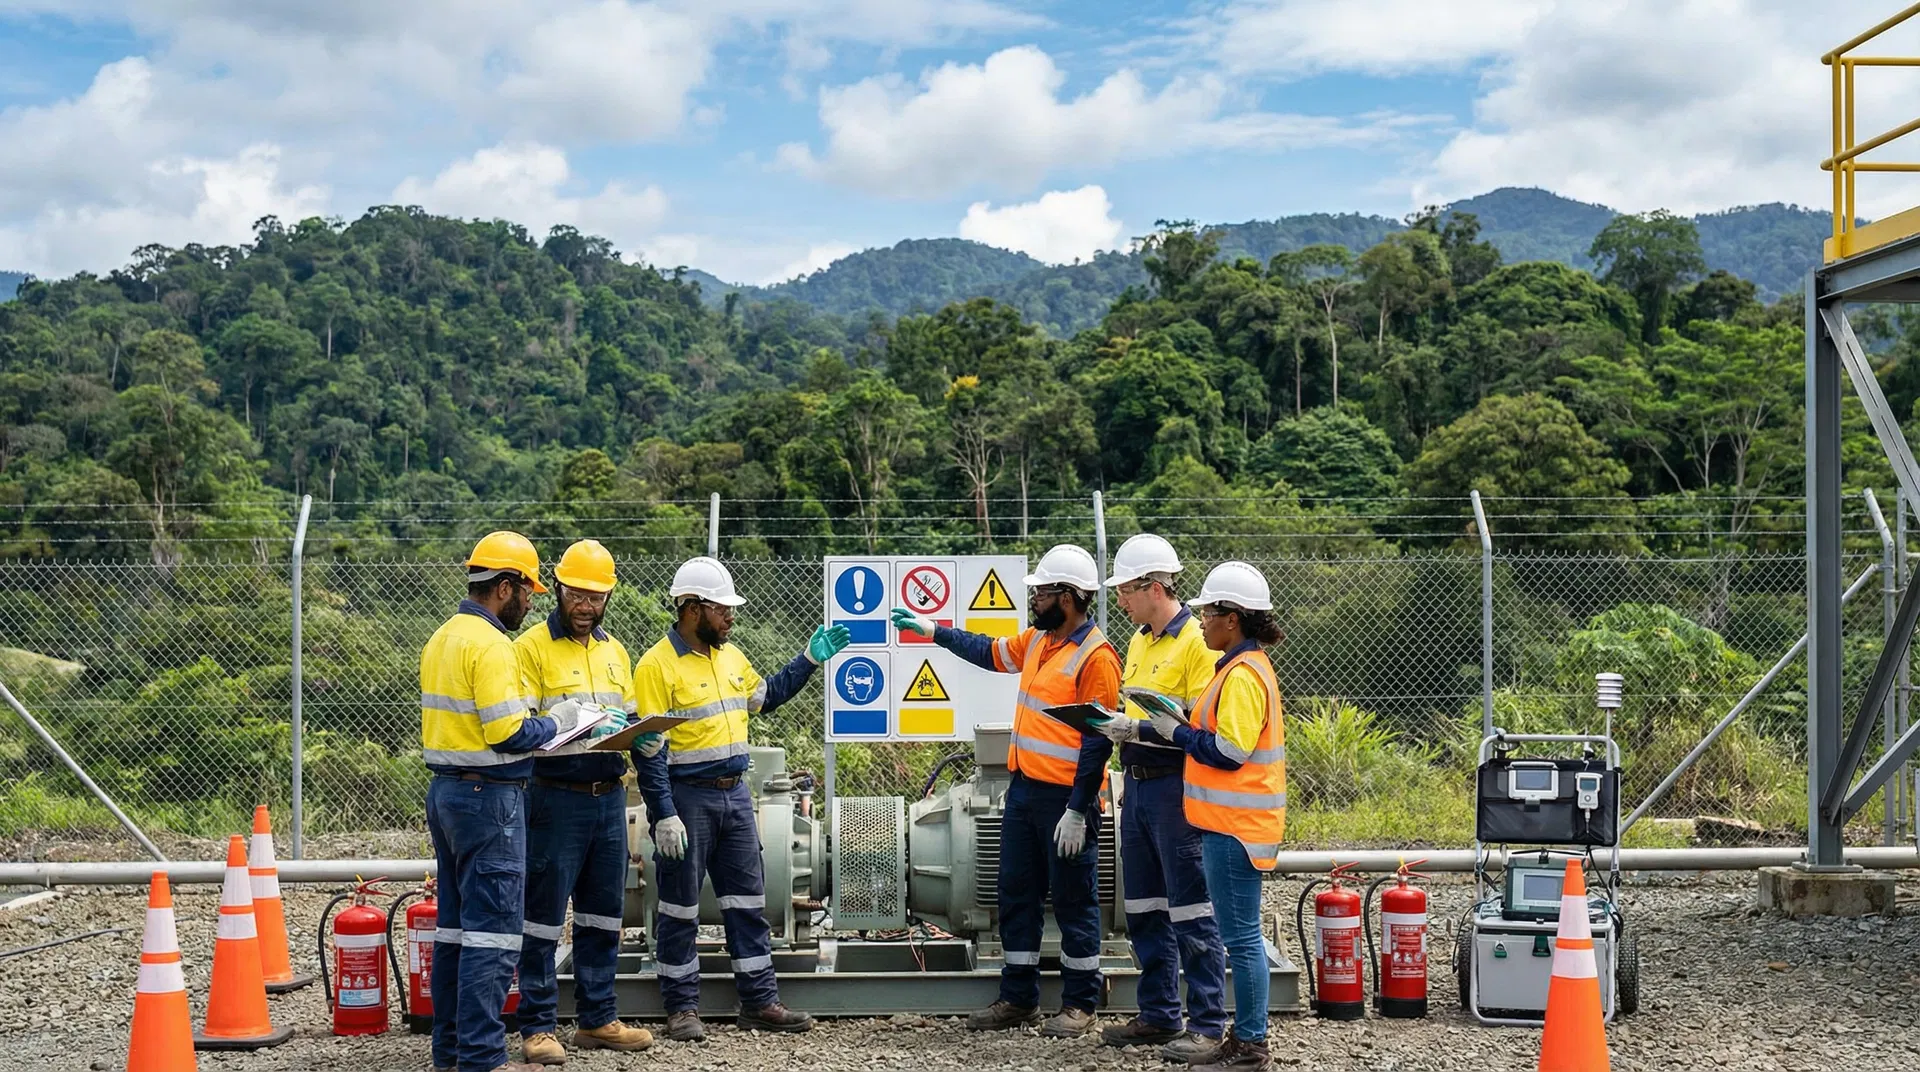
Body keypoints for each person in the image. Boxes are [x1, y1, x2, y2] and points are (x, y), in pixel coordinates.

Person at [892, 544, 1121, 1039]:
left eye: (1041, 593)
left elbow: (1097, 742)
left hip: (1066, 801)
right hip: (1024, 793)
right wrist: (934, 632)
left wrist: (1079, 810)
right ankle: (1019, 997)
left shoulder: (1097, 658)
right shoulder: (1040, 642)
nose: (1033, 599)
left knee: (1074, 900)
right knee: (1015, 893)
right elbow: (990, 652)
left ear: (1069, 596)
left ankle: (1081, 1003)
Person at [632, 555, 850, 1041]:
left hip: (734, 797)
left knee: (747, 903)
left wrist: (809, 660)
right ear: (691, 609)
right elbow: (648, 750)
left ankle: (759, 1001)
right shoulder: (655, 666)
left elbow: (764, 696)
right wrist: (663, 813)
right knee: (680, 908)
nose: (732, 616)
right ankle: (682, 1008)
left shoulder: (730, 657)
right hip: (687, 799)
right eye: (722, 609)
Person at [421, 531, 580, 1072]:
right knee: (491, 935)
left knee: (455, 930)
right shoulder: (490, 645)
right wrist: (557, 722)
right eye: (527, 591)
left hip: (447, 793)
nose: (531, 601)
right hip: (490, 798)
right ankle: (484, 1057)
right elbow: (507, 732)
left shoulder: (443, 637)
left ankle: (451, 1051)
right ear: (505, 587)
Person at [511, 540, 654, 1063]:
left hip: (608, 797)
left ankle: (597, 1019)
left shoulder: (616, 652)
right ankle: (538, 1025)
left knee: (602, 915)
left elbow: (631, 714)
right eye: (576, 594)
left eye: (596, 596)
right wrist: (580, 731)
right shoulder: (530, 648)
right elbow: (522, 730)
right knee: (543, 917)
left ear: (608, 596)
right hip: (554, 798)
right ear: (560, 588)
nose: (585, 605)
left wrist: (643, 735)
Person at [1086, 534, 1228, 1061]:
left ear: (1151, 587)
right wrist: (1120, 730)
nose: (1119, 601)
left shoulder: (1195, 641)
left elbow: (1195, 724)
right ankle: (1161, 1013)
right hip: (1137, 787)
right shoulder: (1141, 641)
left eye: (1124, 590)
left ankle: (1209, 1025)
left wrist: (1136, 727)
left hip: (1175, 788)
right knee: (1144, 904)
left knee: (1190, 909)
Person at [1145, 561, 1288, 1072]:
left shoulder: (1243, 675)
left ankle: (1251, 1043)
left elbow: (1230, 751)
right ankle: (1246, 1037)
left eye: (1208, 611)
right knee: (1240, 936)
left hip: (1235, 828)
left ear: (1232, 618)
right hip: (1231, 825)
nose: (1200, 619)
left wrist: (1176, 733)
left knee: (1242, 939)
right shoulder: (1237, 667)